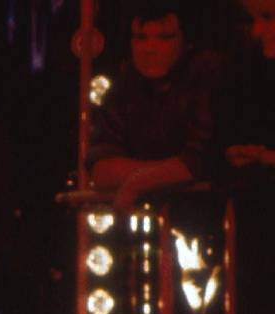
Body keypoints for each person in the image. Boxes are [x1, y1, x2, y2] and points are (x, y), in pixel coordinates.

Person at [88, 2, 222, 210]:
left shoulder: (208, 78)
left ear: (187, 41)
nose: (149, 49)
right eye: (140, 38)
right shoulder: (125, 86)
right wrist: (160, 175)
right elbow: (101, 170)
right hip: (146, 216)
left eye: (165, 38)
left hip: (205, 212)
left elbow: (201, 160)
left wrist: (138, 181)